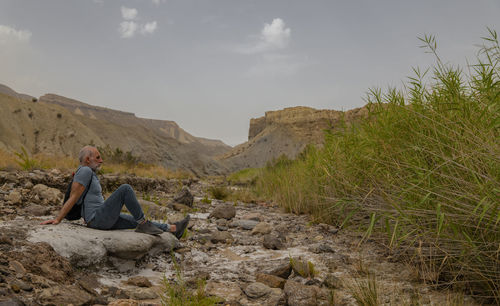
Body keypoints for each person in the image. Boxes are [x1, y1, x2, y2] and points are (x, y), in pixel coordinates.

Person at [41, 145, 190, 238]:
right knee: (125, 189)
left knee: (133, 221)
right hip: (97, 219)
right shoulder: (85, 171)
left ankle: (173, 229)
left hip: (102, 218)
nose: (101, 160)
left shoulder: (88, 172)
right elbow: (74, 197)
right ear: (87, 159)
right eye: (98, 157)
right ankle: (144, 223)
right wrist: (58, 219)